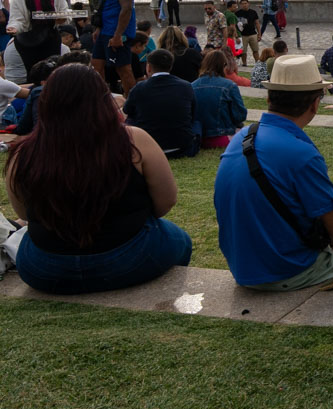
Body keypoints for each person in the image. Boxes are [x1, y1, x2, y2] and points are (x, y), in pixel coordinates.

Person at [5, 64, 192, 294]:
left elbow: (24, 214)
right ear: (102, 99)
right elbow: (166, 200)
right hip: (129, 256)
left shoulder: (23, 153)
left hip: (46, 268)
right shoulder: (134, 141)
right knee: (180, 240)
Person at [214, 56, 333, 290]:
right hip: (285, 271)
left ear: (268, 98)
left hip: (243, 267)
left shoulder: (242, 138)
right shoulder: (301, 154)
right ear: (314, 104)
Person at [124, 49, 199, 157]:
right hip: (182, 146)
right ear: (170, 66)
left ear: (148, 67)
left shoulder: (139, 88)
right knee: (197, 123)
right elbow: (193, 113)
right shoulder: (186, 86)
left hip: (148, 145)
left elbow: (127, 110)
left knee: (130, 119)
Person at [89, 0, 137, 95]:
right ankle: (102, 98)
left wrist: (118, 35)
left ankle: (132, 103)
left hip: (117, 32)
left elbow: (126, 8)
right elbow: (106, 4)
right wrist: (99, 28)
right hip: (106, 29)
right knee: (96, 64)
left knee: (123, 68)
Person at [6, 0, 62, 77]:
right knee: (33, 72)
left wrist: (61, 19)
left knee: (53, 70)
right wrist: (14, 28)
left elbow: (64, 12)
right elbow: (17, 19)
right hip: (27, 39)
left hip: (50, 37)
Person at [193, 49, 248, 148]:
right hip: (222, 136)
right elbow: (240, 115)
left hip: (198, 137)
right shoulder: (229, 86)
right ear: (223, 66)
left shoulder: (192, 86)